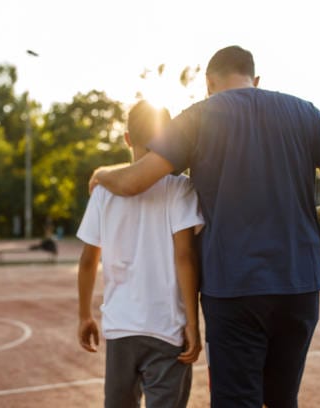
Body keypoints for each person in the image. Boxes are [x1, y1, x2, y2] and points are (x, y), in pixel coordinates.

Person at [89, 46, 320, 407]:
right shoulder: (305, 112)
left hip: (232, 289)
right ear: (254, 79)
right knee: (282, 398)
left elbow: (135, 181)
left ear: (209, 83)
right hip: (299, 286)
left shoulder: (197, 117)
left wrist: (102, 174)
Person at [77, 100, 205, 408]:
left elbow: (88, 261)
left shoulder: (102, 192)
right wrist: (193, 323)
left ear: (127, 138)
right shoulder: (180, 188)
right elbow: (185, 257)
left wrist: (84, 315)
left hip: (121, 327)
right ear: (170, 138)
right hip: (167, 329)